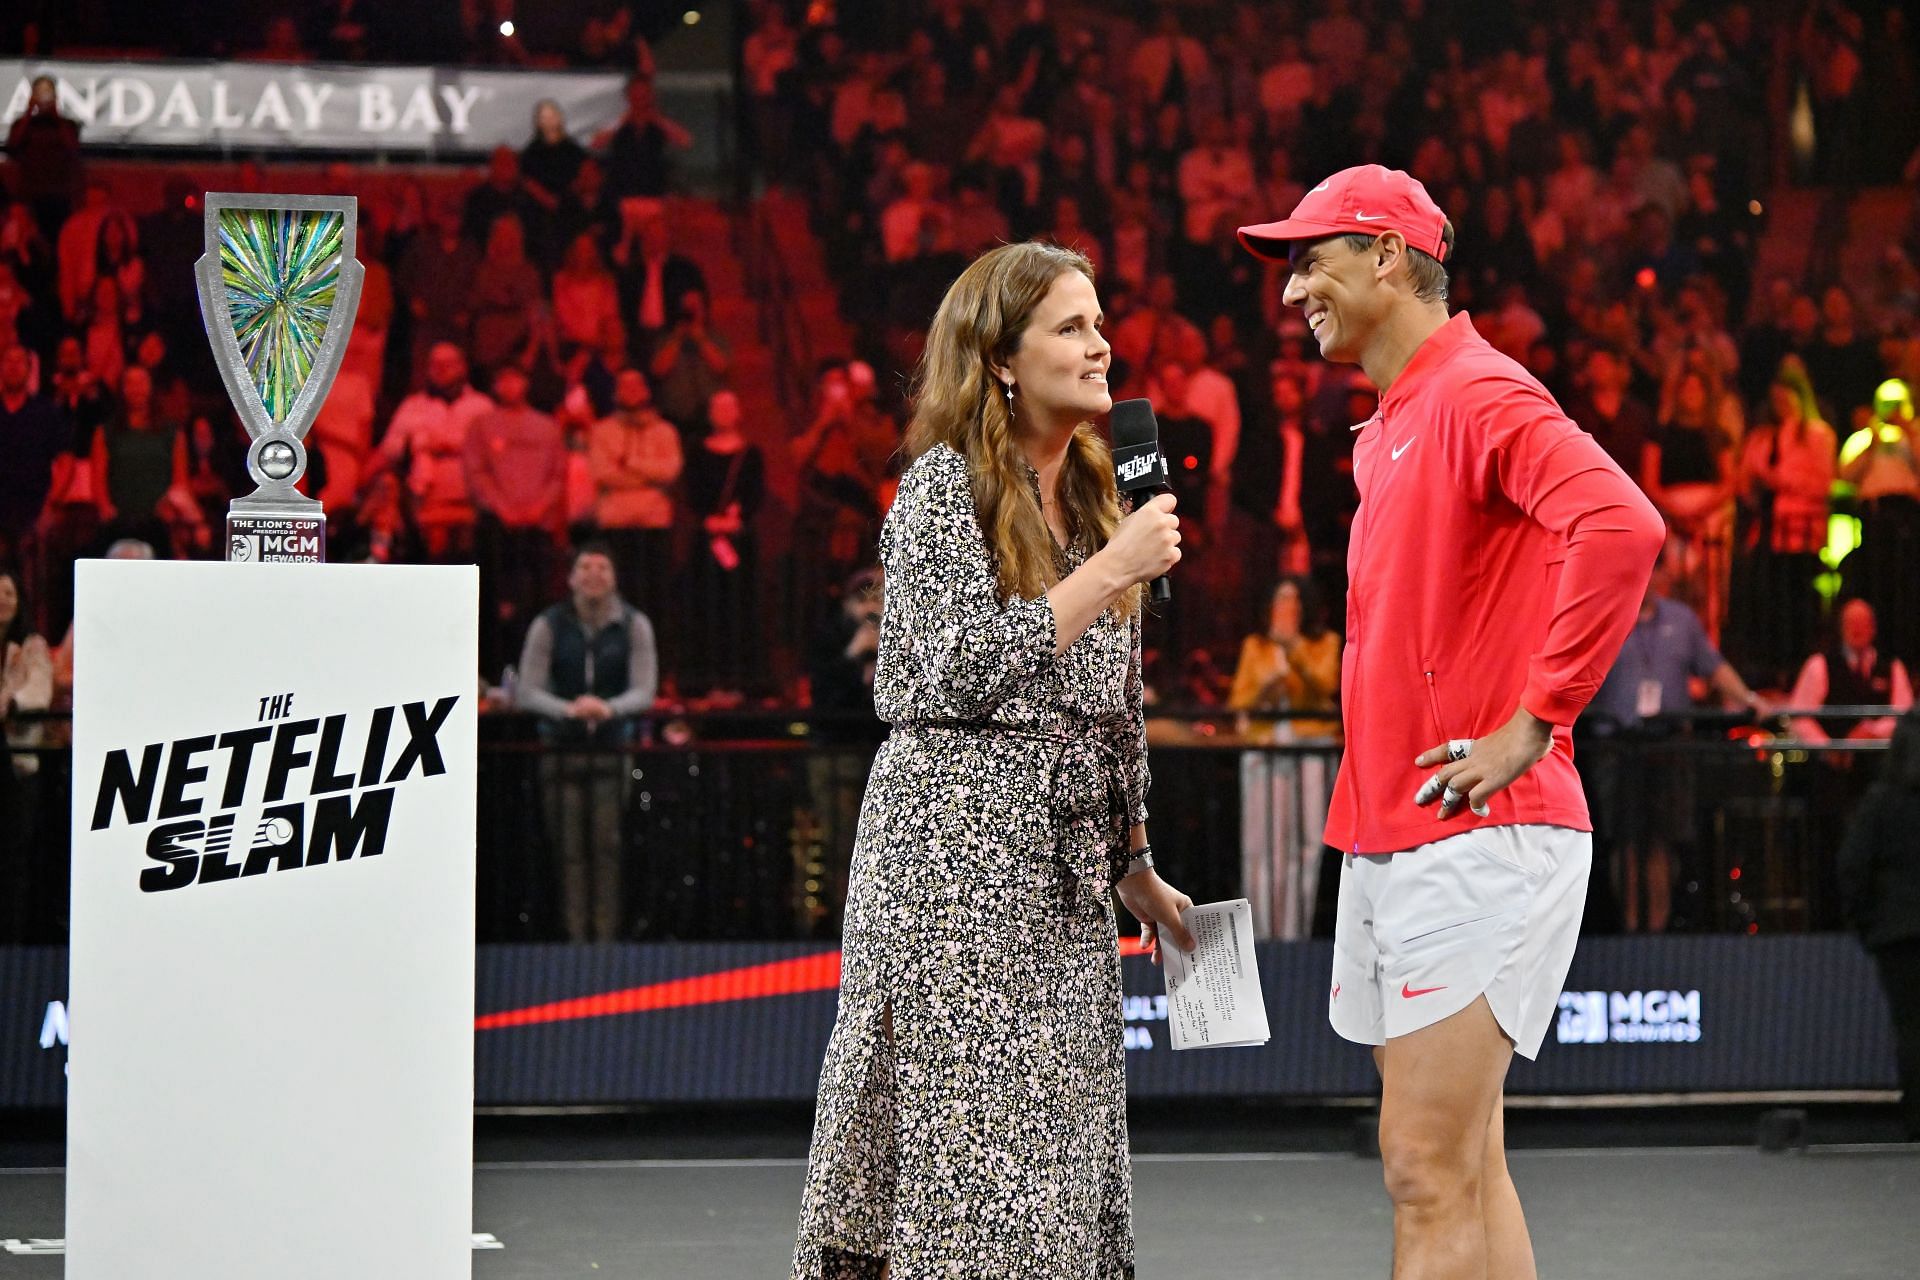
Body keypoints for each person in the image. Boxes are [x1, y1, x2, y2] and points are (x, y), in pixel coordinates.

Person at [1239, 166, 1663, 1279]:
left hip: (1479, 831)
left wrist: (1535, 718)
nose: (1293, 293)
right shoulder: (1394, 421)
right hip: (1407, 831)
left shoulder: (1475, 390)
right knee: (1467, 1167)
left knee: (1425, 1172)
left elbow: (1621, 525)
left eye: (1310, 259)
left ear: (1387, 255)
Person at [792, 241, 1196, 1279]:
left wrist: (1134, 859)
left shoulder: (1106, 501)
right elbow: (954, 671)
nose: (1100, 343)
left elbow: (1113, 707)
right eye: (1071, 325)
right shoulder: (940, 490)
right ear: (1002, 360)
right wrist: (1110, 570)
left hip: (1061, 882)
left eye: (1101, 323)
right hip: (949, 867)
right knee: (964, 1160)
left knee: (1056, 1154)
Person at [1586, 564, 1773, 932]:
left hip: (1670, 746)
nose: (1648, 579)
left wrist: (1749, 699)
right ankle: (1629, 928)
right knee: (1623, 844)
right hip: (1617, 746)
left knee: (1662, 842)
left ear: (1663, 579)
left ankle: (1656, 930)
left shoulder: (1682, 620)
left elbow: (1713, 668)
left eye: (1656, 572)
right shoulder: (1606, 615)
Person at [515, 542, 659, 942]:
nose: (594, 575)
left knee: (607, 849)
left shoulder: (633, 624)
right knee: (569, 853)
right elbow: (527, 691)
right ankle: (576, 943)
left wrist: (608, 709)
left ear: (614, 578)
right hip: (561, 752)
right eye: (586, 567)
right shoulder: (549, 624)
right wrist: (569, 710)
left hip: (612, 752)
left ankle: (606, 943)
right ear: (571, 577)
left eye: (603, 567)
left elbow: (644, 691)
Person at [1227, 576, 1343, 939]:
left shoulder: (1324, 643)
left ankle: (1297, 933)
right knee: (1262, 845)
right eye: (1279, 599)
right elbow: (1239, 701)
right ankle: (1261, 934)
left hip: (1310, 744)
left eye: (1293, 599)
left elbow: (1326, 685)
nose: (1285, 608)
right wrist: (1268, 685)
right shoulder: (1255, 646)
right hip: (1265, 745)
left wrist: (1293, 648)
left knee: (1306, 843)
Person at [1837, 710, 1920, 1139]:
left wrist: (1867, 925)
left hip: (1897, 935)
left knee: (1910, 1028)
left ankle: (1916, 1122)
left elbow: (1852, 867)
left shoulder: (1880, 802)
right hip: (1893, 930)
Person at [465, 363, 567, 674]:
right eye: (503, 379)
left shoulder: (547, 426)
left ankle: (539, 670)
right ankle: (493, 672)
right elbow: (475, 473)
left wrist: (540, 507)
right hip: (497, 528)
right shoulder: (481, 426)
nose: (510, 386)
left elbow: (557, 475)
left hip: (537, 528)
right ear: (495, 386)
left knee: (537, 598)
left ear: (526, 383)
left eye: (516, 378)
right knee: (494, 600)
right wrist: (500, 506)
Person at [368, 341, 493, 562]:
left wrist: (451, 447)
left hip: (471, 498)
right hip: (423, 499)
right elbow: (389, 451)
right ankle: (377, 557)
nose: (441, 369)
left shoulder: (482, 407)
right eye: (435, 364)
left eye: (448, 364)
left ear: (463, 367)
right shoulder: (413, 405)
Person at [680, 389, 763, 697]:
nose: (724, 411)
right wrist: (708, 519)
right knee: (706, 606)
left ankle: (740, 680)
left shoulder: (751, 453)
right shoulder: (697, 452)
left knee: (739, 607)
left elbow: (755, 493)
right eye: (718, 406)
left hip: (740, 541)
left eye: (730, 405)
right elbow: (692, 492)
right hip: (707, 541)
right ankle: (706, 681)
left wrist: (738, 517)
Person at [587, 368, 683, 621]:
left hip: (654, 523)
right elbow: (601, 473)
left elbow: (670, 471)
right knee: (618, 593)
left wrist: (629, 462)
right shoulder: (601, 431)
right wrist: (647, 478)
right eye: (624, 386)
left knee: (655, 595)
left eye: (636, 385)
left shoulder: (665, 431)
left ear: (647, 391)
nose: (630, 391)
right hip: (615, 523)